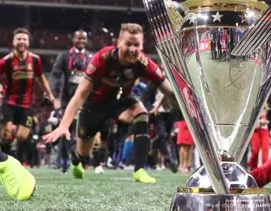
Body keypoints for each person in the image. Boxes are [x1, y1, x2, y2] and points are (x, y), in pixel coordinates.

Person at [42, 23, 176, 184]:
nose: (132, 49)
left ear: (142, 45)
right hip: (95, 105)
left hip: (121, 101)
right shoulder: (102, 59)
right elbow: (81, 94)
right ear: (118, 43)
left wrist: (187, 102)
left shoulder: (144, 63)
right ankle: (76, 160)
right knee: (83, 153)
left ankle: (139, 171)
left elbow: (170, 91)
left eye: (137, 45)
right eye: (128, 44)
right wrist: (64, 126)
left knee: (141, 114)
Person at [0, 28, 57, 165]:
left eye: (24, 39)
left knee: (22, 136)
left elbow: (41, 78)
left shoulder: (35, 60)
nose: (21, 41)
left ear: (28, 42)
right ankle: (5, 159)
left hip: (27, 105)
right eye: (19, 39)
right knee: (6, 136)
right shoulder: (6, 61)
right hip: (9, 103)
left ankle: (12, 152)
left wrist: (49, 94)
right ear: (13, 42)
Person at [49, 30, 94, 174]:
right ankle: (63, 163)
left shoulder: (91, 57)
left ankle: (80, 160)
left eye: (83, 38)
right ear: (73, 39)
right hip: (67, 99)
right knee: (65, 129)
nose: (81, 41)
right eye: (78, 38)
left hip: (85, 98)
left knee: (82, 130)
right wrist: (52, 92)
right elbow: (55, 75)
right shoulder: (64, 56)